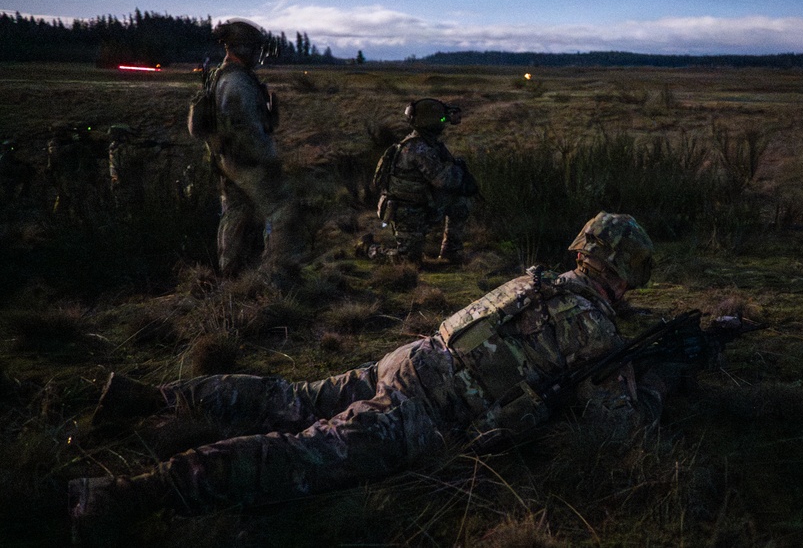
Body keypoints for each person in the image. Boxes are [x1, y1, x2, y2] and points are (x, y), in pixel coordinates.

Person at [68, 212, 689, 544]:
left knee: (290, 399)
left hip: (409, 358)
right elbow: (620, 431)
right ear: (625, 274)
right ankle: (124, 496)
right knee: (300, 457)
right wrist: (656, 381)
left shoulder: (535, 281)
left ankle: (149, 397)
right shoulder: (597, 332)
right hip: (423, 413)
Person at [188, 19, 305, 283]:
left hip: (229, 159)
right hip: (245, 161)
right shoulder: (237, 83)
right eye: (254, 48)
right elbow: (247, 131)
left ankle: (232, 275)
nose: (259, 54)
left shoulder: (223, 76)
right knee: (282, 210)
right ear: (242, 48)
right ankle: (277, 276)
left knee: (236, 212)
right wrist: (269, 161)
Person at [372, 97, 478, 264]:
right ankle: (369, 249)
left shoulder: (427, 144)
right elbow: (443, 180)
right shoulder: (418, 148)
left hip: (423, 205)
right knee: (409, 262)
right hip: (407, 211)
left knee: (460, 203)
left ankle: (451, 252)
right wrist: (459, 171)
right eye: (441, 119)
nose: (444, 122)